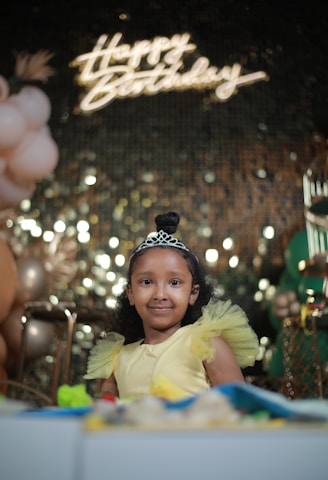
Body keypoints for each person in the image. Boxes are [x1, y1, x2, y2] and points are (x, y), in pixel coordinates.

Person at [84, 211, 259, 401]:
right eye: (147, 282)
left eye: (174, 282)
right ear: (131, 293)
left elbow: (240, 406)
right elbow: (106, 409)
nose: (160, 295)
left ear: (193, 293)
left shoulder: (205, 344)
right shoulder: (118, 358)